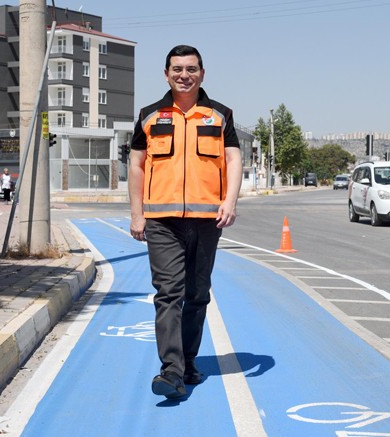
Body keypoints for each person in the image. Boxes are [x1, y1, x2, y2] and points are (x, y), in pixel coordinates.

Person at [128, 45, 243, 399]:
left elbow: (233, 159)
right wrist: (136, 213)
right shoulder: (149, 116)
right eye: (177, 69)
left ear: (202, 74)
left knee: (197, 294)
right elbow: (136, 165)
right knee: (168, 294)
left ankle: (189, 361)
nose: (184, 75)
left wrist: (230, 201)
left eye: (191, 69)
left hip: (207, 221)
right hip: (162, 221)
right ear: (166, 74)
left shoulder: (220, 115)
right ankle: (171, 370)